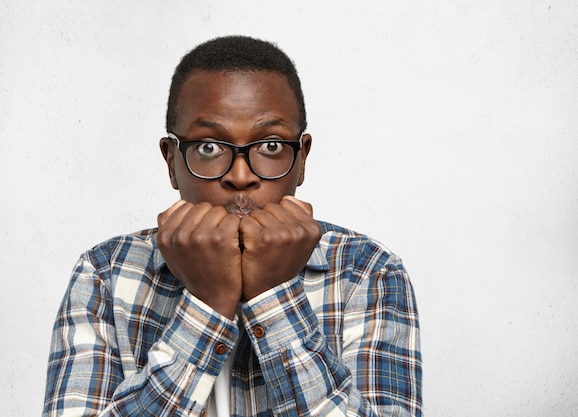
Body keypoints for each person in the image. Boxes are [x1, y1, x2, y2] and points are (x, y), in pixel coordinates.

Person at [43, 35, 422, 417]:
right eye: (209, 147)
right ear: (172, 160)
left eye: (271, 146)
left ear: (302, 159)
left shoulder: (368, 271)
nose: (240, 176)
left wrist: (273, 296)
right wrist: (208, 306)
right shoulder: (105, 274)